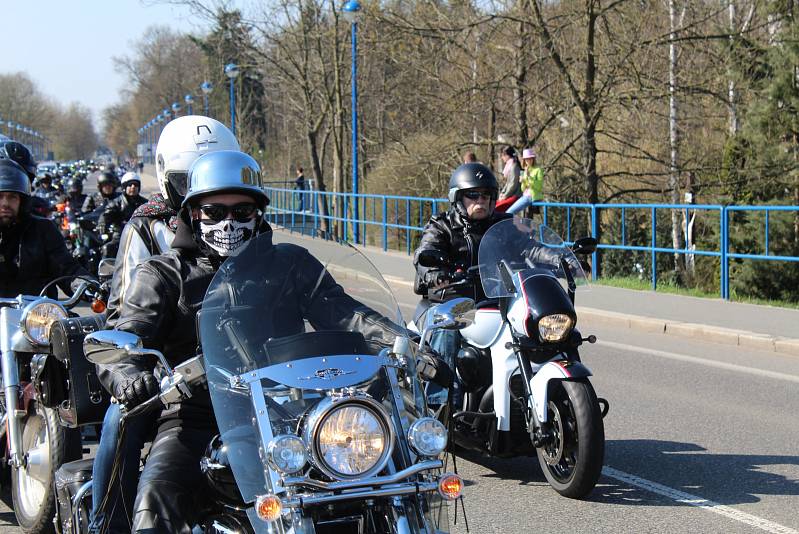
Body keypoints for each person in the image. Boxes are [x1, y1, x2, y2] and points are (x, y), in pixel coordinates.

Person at [97, 150, 409, 532]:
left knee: (384, 477)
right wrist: (128, 371)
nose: (229, 222)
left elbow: (344, 312)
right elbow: (129, 334)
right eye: (215, 211)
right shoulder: (163, 274)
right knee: (157, 496)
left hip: (291, 415)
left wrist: (405, 343)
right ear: (193, 214)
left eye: (241, 211)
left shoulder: (290, 263)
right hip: (196, 417)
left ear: (258, 213)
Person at [89, 115, 241, 534]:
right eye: (189, 178)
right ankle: (108, 521)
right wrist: (133, 370)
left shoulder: (239, 228)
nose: (203, 185)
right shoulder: (145, 224)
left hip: (238, 382)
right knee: (120, 419)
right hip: (163, 367)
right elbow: (126, 306)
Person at [412, 163, 511, 405]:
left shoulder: (504, 225)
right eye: (473, 195)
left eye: (486, 195)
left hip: (495, 303)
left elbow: (532, 248)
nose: (481, 201)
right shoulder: (442, 226)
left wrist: (558, 258)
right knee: (449, 330)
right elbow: (426, 252)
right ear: (458, 198)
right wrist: (434, 272)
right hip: (453, 302)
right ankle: (439, 407)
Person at [0, 159, 90, 299]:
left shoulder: (42, 229)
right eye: (0, 197)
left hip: (37, 315)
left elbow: (66, 268)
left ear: (21, 201)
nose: (5, 203)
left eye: (12, 197)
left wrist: (86, 285)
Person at [507, 148, 545, 217]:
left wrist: (529, 176)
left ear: (533, 159)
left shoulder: (538, 170)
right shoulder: (525, 170)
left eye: (530, 159)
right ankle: (516, 226)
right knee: (509, 212)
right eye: (527, 159)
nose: (528, 161)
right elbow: (523, 189)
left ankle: (514, 226)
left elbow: (539, 186)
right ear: (524, 160)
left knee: (509, 212)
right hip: (525, 196)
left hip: (532, 197)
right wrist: (523, 181)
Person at [495, 146, 521, 213]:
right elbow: (507, 184)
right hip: (510, 195)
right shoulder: (509, 166)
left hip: (515, 195)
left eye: (503, 156)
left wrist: (505, 196)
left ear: (507, 155)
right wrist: (502, 193)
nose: (502, 158)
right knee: (494, 206)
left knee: (497, 208)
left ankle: (516, 223)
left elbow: (513, 184)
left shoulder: (514, 166)